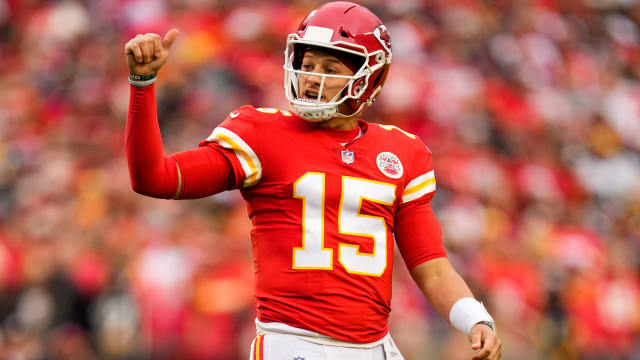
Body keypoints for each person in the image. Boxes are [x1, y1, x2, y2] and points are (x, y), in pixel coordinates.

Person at [124, 2, 502, 359]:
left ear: (371, 77)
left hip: (375, 347)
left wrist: (475, 318)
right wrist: (143, 83)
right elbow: (155, 178)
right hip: (293, 342)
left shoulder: (403, 152)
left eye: (330, 69)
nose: (311, 78)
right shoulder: (261, 133)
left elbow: (431, 266)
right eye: (308, 63)